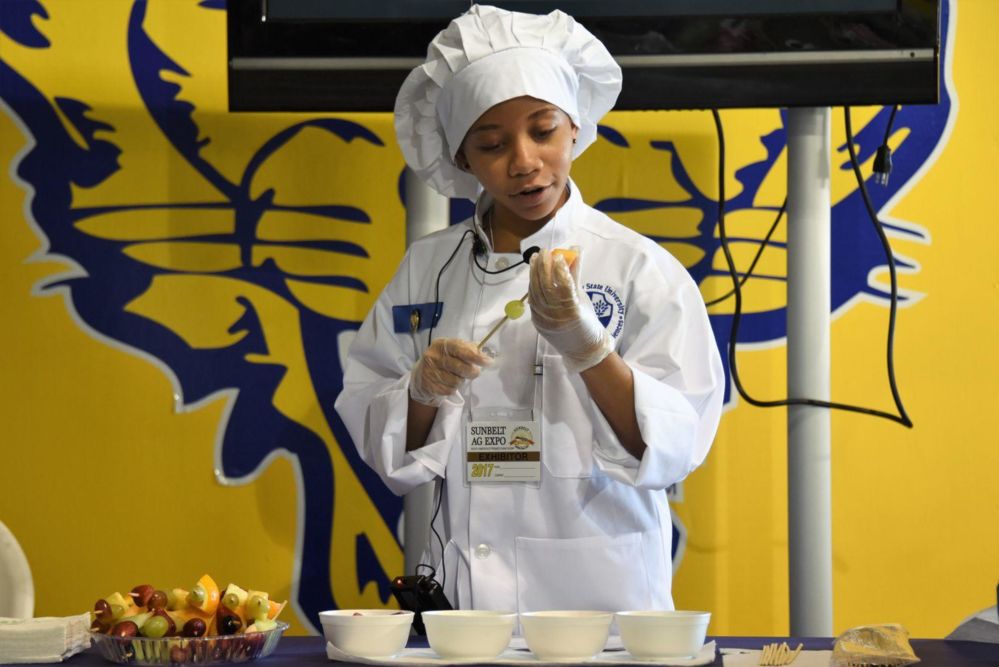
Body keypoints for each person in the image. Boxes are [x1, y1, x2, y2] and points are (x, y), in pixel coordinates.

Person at [334, 4, 724, 613]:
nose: (522, 161)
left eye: (542, 131)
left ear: (575, 127)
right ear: (461, 158)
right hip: (470, 613)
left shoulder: (639, 268)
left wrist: (586, 347)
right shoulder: (426, 267)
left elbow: (674, 445)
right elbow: (377, 431)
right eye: (491, 144)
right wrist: (420, 390)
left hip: (604, 603)